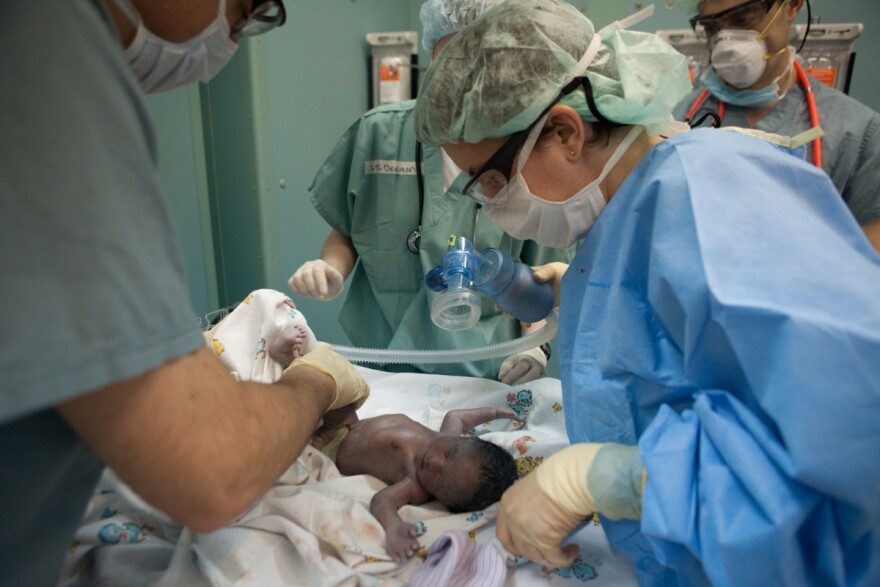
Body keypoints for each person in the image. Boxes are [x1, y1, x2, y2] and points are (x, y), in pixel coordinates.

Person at [413, 0, 880, 585]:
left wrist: (613, 478)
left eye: (493, 180)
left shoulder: (706, 192)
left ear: (566, 132)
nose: (491, 205)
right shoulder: (618, 224)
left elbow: (846, 432)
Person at [0, 2, 370, 585]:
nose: (233, 37)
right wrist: (315, 380)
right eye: (245, 9)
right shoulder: (44, 47)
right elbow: (215, 464)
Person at [288, 0, 576, 384]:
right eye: (451, 60)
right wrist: (330, 268)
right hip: (384, 370)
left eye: (479, 61)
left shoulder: (523, 144)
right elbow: (348, 229)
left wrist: (533, 346)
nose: (462, 78)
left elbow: (541, 269)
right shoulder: (379, 133)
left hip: (487, 373)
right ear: (431, 55)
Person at [673, 0, 880, 252]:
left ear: (791, 6)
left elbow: (870, 257)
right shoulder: (678, 118)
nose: (725, 40)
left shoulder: (859, 133)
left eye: (743, 17)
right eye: (711, 26)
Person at [311, 405, 521, 564]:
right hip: (349, 420)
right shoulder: (445, 436)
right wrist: (493, 412)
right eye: (449, 454)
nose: (434, 462)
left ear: (442, 498)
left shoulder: (415, 484)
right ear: (463, 440)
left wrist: (393, 526)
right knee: (338, 385)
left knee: (305, 428)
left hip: (332, 447)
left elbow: (383, 500)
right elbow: (457, 416)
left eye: (439, 479)